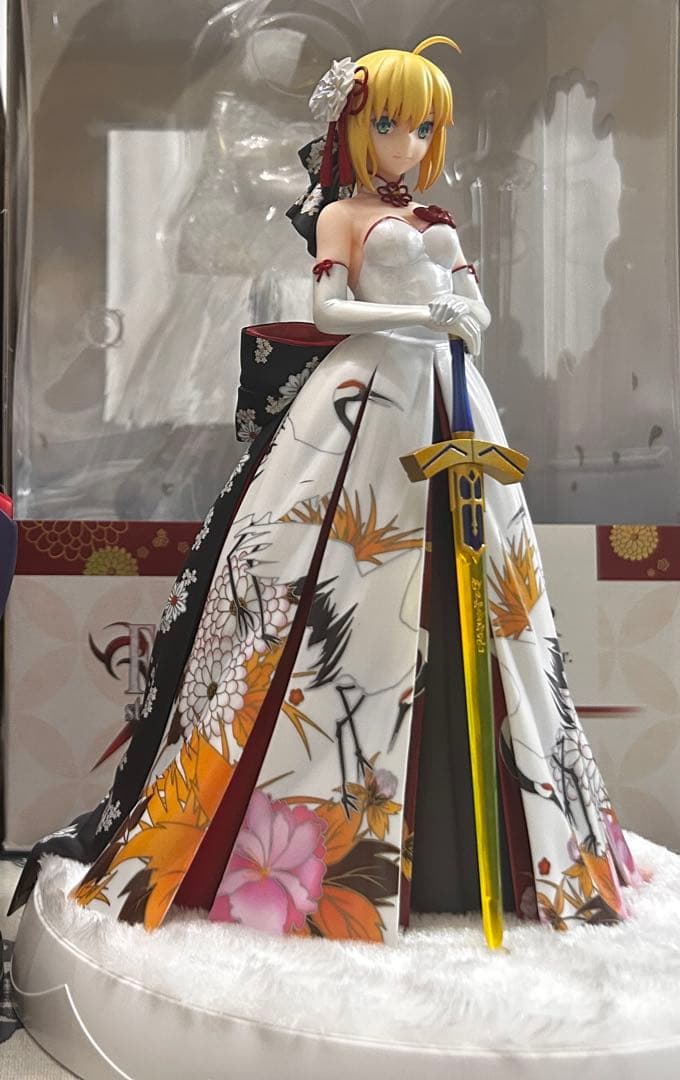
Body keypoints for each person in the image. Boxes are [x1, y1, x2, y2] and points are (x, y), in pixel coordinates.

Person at [10, 37, 641, 943]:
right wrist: (419, 313)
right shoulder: (342, 215)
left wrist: (461, 319)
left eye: (421, 128)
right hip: (364, 400)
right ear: (353, 125)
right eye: (389, 124)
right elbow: (327, 311)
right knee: (337, 582)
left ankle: (531, 832)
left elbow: (476, 309)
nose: (405, 143)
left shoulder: (435, 216)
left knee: (488, 586)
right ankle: (316, 816)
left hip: (451, 398)